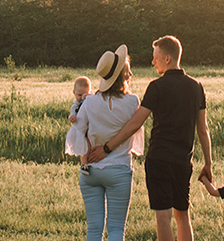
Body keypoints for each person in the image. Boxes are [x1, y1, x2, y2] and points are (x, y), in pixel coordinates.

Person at [88, 35, 213, 241]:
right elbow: (203, 129)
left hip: (159, 160)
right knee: (183, 214)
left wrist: (107, 148)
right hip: (184, 161)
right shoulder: (196, 87)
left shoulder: (157, 87)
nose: (152, 61)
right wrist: (208, 163)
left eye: (155, 57)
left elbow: (135, 124)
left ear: (167, 59)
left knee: (163, 216)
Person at [66, 44, 144, 241]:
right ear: (122, 76)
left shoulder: (90, 101)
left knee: (93, 230)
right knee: (117, 230)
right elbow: (135, 132)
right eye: (128, 70)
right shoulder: (133, 101)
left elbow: (77, 132)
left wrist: (86, 156)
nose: (131, 74)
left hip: (91, 170)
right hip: (119, 170)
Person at [66, 76, 94, 173]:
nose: (82, 97)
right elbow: (72, 113)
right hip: (81, 130)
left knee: (92, 146)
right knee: (84, 147)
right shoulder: (76, 105)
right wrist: (72, 117)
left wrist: (89, 97)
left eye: (85, 94)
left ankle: (93, 162)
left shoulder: (91, 100)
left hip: (91, 128)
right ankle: (84, 165)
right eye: (79, 95)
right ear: (74, 93)